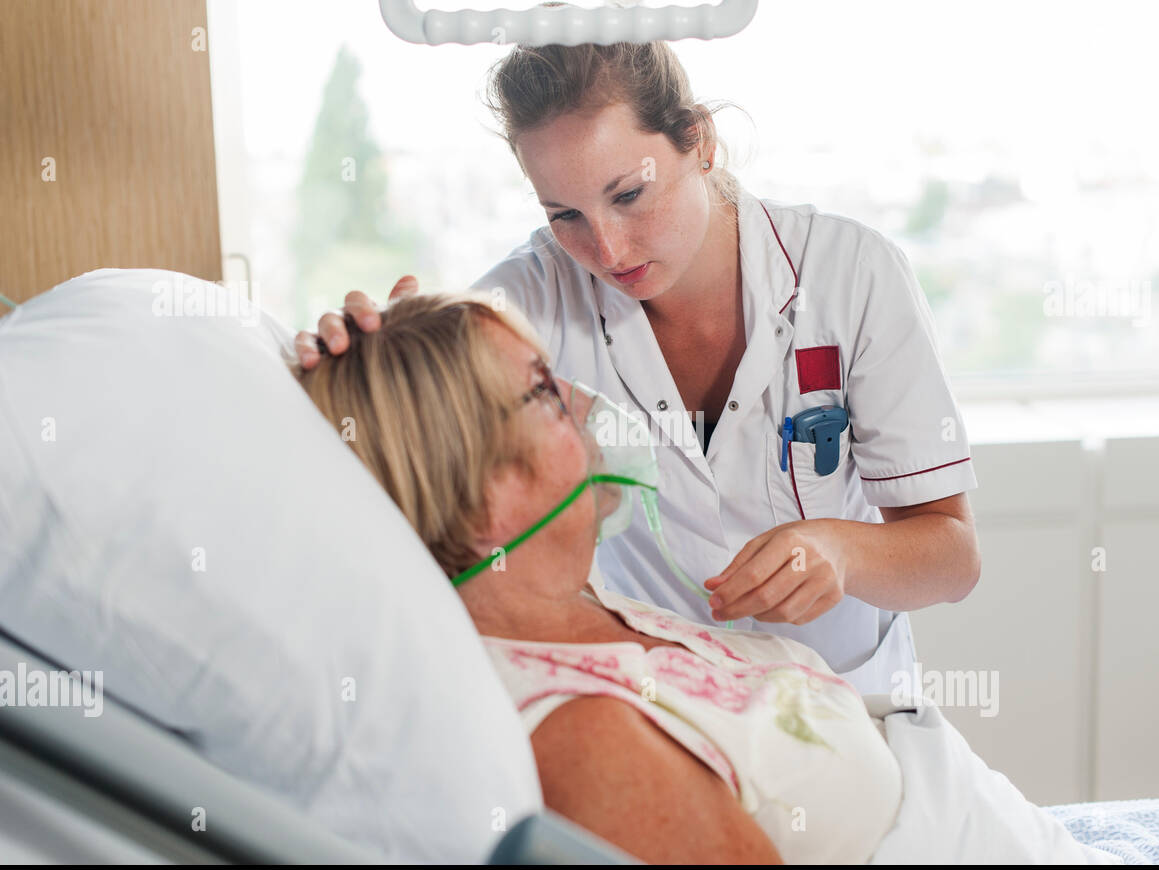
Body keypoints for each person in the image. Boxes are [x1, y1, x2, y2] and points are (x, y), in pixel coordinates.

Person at [292, 290, 1116, 865]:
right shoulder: (587, 740)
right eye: (545, 392)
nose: (586, 402)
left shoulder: (570, 602)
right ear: (474, 485)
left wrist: (402, 349)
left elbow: (949, 550)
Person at [295, 41, 980, 694]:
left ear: (700, 141)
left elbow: (952, 559)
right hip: (673, 711)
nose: (606, 248)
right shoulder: (533, 296)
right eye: (564, 214)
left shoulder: (852, 273)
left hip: (856, 701)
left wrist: (841, 551)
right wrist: (360, 358)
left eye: (627, 196)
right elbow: (414, 414)